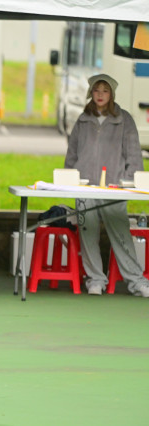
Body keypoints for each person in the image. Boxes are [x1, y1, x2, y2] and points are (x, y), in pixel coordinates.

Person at [65, 74, 149, 297]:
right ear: (90, 93)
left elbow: (134, 155)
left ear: (112, 94)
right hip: (84, 187)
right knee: (88, 234)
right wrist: (70, 180)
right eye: (96, 90)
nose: (100, 95)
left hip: (114, 188)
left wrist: (129, 183)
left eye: (105, 90)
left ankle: (137, 281)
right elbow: (71, 154)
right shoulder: (83, 120)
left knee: (121, 235)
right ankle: (95, 280)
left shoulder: (124, 119)